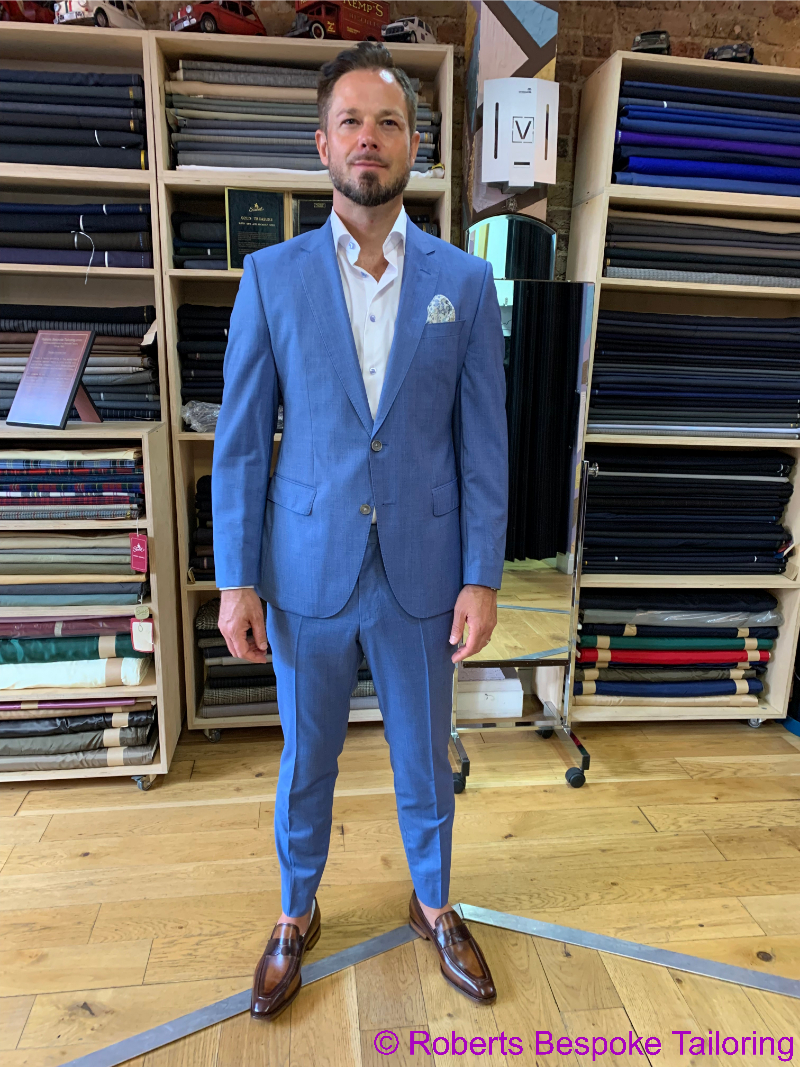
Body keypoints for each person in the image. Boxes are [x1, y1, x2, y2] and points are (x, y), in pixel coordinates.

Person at [212, 41, 508, 1022]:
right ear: (322, 143)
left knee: (425, 754)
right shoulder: (270, 276)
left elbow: (483, 442)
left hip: (424, 569)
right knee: (308, 758)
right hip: (307, 570)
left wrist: (482, 573)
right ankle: (295, 912)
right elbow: (242, 442)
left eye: (387, 122)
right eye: (350, 121)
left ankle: (435, 903)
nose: (368, 139)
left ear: (415, 144)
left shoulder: (465, 282)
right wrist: (236, 579)